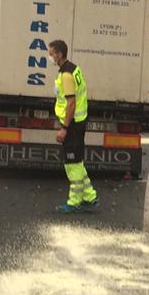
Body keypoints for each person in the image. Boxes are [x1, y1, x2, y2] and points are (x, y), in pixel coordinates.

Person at [49, 39, 97, 213]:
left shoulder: (66, 75)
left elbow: (71, 103)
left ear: (60, 54)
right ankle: (89, 196)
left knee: (72, 163)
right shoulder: (73, 69)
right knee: (77, 161)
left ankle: (75, 200)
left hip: (73, 125)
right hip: (79, 121)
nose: (50, 57)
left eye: (52, 53)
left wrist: (64, 128)